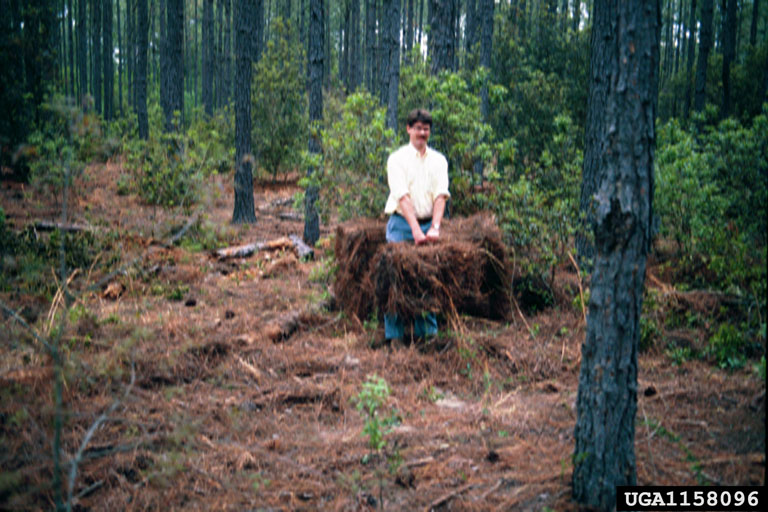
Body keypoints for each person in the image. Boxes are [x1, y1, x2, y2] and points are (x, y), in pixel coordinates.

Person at [383, 108, 450, 344]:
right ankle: (395, 337)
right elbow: (402, 196)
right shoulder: (397, 159)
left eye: (426, 129)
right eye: (418, 128)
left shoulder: (439, 160)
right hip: (402, 224)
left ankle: (427, 335)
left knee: (427, 277)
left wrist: (435, 227)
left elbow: (441, 195)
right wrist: (415, 231)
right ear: (408, 129)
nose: (422, 133)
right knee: (395, 277)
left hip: (427, 223)